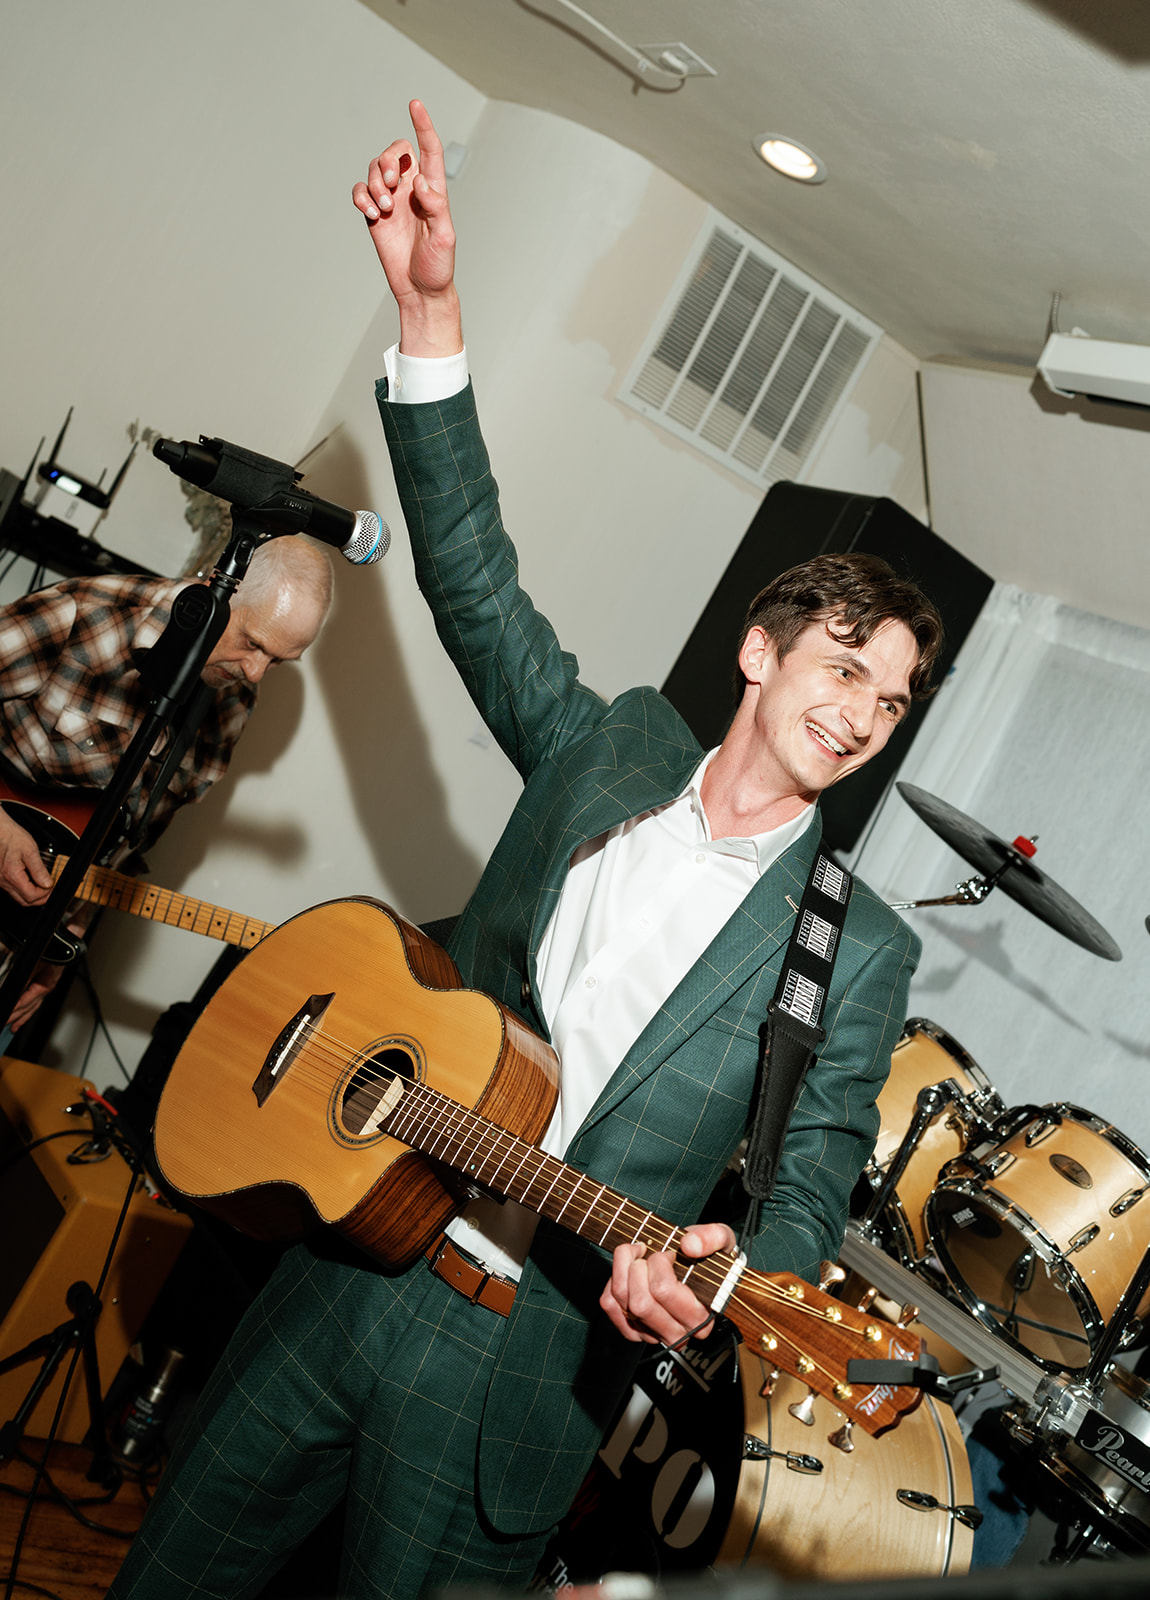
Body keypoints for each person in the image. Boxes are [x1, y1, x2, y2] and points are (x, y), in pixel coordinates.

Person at [107, 101, 943, 1600]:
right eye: (841, 665)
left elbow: (807, 1186)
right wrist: (429, 309)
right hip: (346, 1260)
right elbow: (475, 583)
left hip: (511, 1373)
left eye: (891, 701)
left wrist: (711, 1271)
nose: (862, 710)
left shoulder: (857, 946)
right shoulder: (610, 748)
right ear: (758, 652)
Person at [0, 535, 332, 1035]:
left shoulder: (231, 706)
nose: (256, 673)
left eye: (279, 661)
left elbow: (124, 847)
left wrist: (61, 944)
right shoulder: (87, 614)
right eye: (254, 643)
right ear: (209, 594)